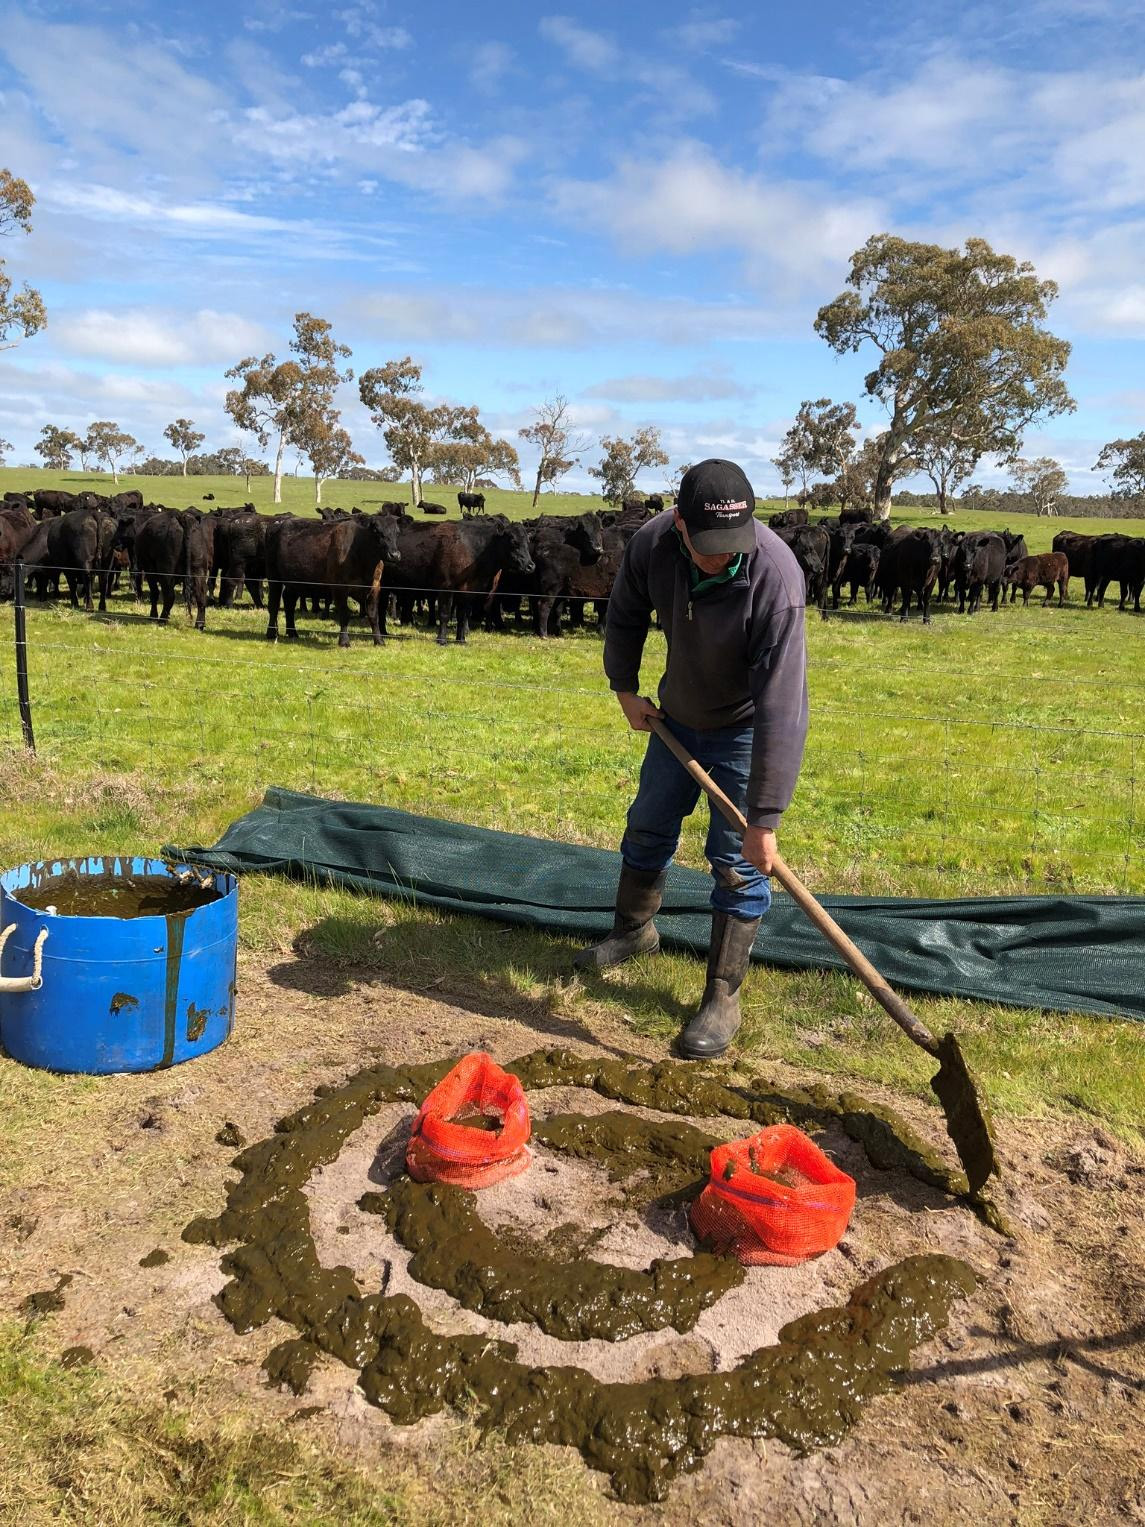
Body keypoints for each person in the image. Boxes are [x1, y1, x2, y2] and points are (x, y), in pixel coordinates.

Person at [575, 459, 809, 1059]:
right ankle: (634, 932)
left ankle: (722, 994)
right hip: (674, 720)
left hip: (743, 728)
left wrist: (765, 818)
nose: (720, 557)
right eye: (707, 546)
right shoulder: (652, 543)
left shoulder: (776, 580)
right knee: (648, 824)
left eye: (731, 545)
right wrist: (623, 687)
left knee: (737, 863)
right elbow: (624, 614)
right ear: (680, 524)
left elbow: (784, 706)